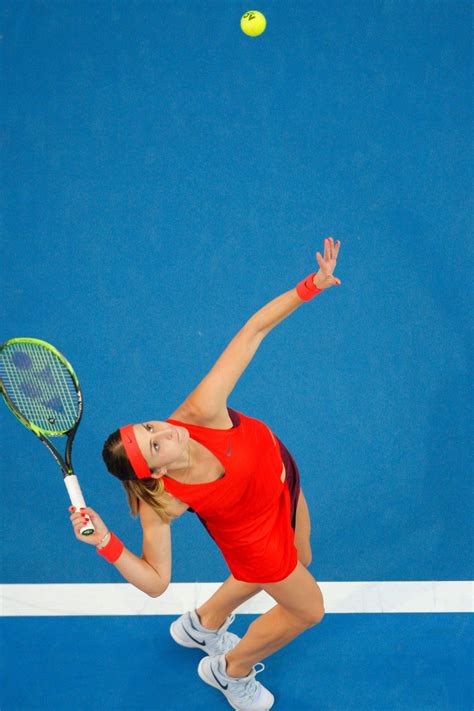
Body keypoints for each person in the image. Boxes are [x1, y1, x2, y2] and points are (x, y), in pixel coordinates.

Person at [70, 238, 342, 711]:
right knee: (308, 609)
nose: (165, 431)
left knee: (304, 552)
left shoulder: (198, 412)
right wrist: (106, 542)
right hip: (256, 546)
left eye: (150, 425)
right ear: (153, 471)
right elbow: (156, 581)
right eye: (155, 444)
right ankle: (229, 670)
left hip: (282, 479)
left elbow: (253, 331)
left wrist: (309, 287)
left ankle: (203, 622)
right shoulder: (164, 500)